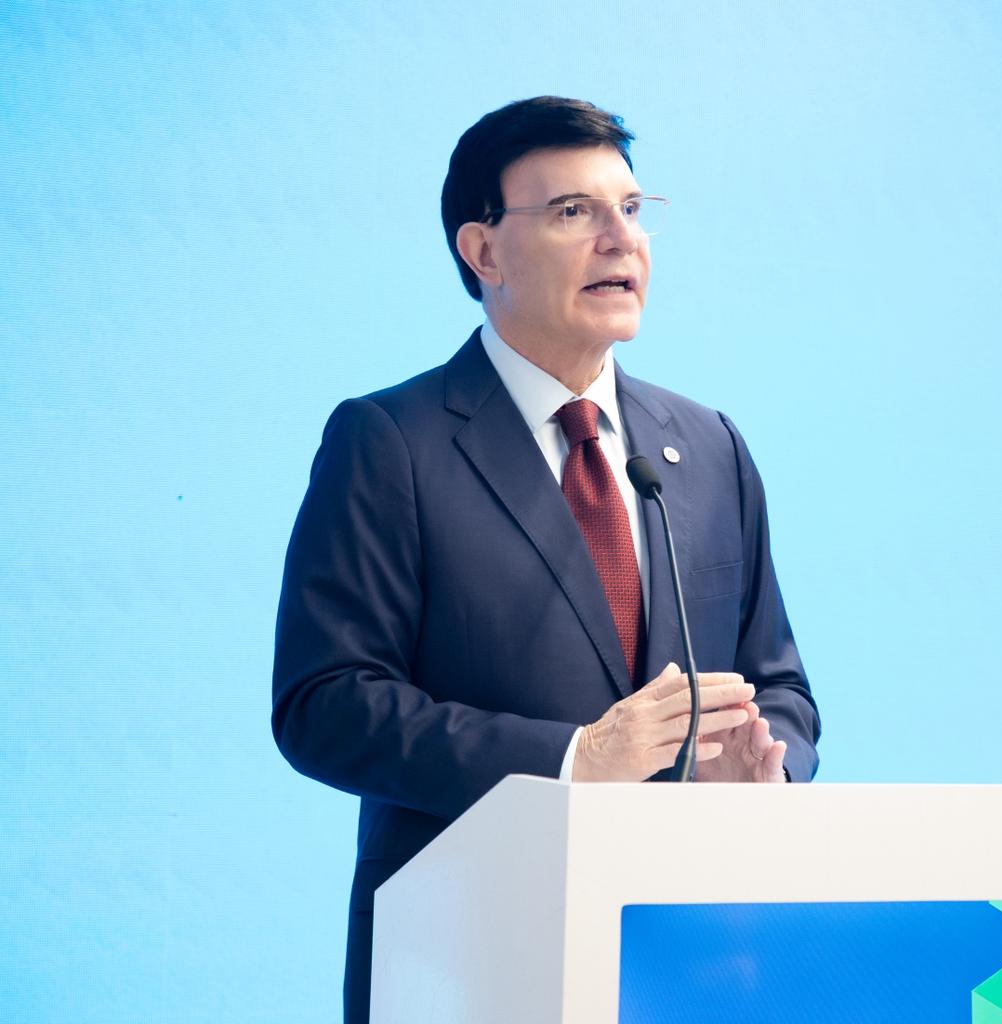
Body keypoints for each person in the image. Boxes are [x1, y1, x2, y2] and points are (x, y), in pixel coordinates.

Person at [272, 95, 821, 1024]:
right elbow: (324, 704)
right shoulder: (391, 443)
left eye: (632, 210)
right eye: (574, 211)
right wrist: (574, 759)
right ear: (483, 251)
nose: (620, 239)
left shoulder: (708, 445)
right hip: (465, 956)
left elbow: (781, 687)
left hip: (688, 954)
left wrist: (767, 770)